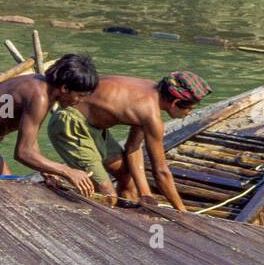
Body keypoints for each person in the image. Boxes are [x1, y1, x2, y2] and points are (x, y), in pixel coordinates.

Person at [49, 70, 212, 211]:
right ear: (175, 102)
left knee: (127, 177)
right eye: (190, 108)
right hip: (70, 124)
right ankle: (58, 175)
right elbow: (161, 172)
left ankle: (125, 212)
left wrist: (145, 193)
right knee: (107, 195)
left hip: (95, 127)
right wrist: (181, 212)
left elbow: (133, 147)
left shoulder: (152, 93)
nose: (189, 113)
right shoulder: (151, 116)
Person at [0, 53, 99, 194]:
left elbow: (30, 140)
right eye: (79, 95)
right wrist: (66, 171)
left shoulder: (43, 87)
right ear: (65, 88)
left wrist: (47, 170)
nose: (78, 101)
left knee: (10, 192)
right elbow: (23, 153)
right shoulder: (39, 97)